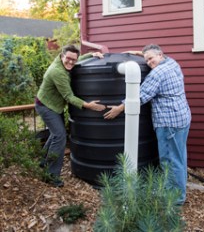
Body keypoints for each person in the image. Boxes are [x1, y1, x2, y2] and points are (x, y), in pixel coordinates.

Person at [104, 44, 191, 205]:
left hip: (168, 122)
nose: (149, 62)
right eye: (147, 60)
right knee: (179, 157)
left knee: (170, 161)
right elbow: (156, 58)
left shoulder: (158, 73)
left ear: (160, 55)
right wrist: (140, 54)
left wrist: (120, 108)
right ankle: (179, 190)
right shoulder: (172, 63)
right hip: (182, 118)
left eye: (151, 58)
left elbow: (140, 95)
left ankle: (175, 199)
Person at [35, 44, 106, 187]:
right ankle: (51, 175)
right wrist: (88, 105)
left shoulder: (68, 61)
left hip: (54, 106)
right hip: (46, 106)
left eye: (74, 59)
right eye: (68, 58)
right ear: (62, 56)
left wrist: (91, 55)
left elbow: (77, 59)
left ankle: (43, 163)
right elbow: (69, 96)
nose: (71, 62)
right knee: (60, 136)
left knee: (56, 135)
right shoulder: (57, 72)